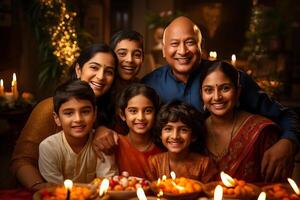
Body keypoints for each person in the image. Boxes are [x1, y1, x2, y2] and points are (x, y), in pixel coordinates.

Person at [142, 16, 299, 181]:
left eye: (190, 42)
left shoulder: (227, 78)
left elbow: (286, 115)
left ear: (201, 46)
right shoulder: (150, 84)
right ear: (164, 50)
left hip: (223, 180)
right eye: (174, 44)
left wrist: (288, 142)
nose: (182, 51)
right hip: (168, 179)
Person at [10, 43, 118, 190]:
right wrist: (40, 187)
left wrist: (101, 129)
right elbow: (21, 161)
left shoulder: (111, 109)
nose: (100, 76)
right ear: (78, 70)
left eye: (109, 72)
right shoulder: (49, 107)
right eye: (94, 67)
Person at [200, 61, 293, 182]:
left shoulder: (261, 132)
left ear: (238, 92)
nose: (217, 97)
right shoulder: (195, 131)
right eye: (208, 90)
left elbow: (278, 189)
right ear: (201, 94)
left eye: (225, 88)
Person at [39, 80, 118, 184]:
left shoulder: (102, 142)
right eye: (69, 113)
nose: (78, 119)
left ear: (95, 113)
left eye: (85, 111)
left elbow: (107, 184)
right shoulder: (49, 147)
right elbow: (57, 190)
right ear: (57, 118)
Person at [148, 101, 217, 183]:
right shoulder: (154, 163)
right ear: (160, 134)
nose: (175, 136)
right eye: (168, 129)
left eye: (183, 130)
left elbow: (211, 193)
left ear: (193, 136)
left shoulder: (204, 165)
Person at [115, 83, 161, 178]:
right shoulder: (115, 144)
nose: (141, 117)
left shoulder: (163, 147)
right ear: (122, 114)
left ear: (156, 113)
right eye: (133, 111)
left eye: (148, 111)